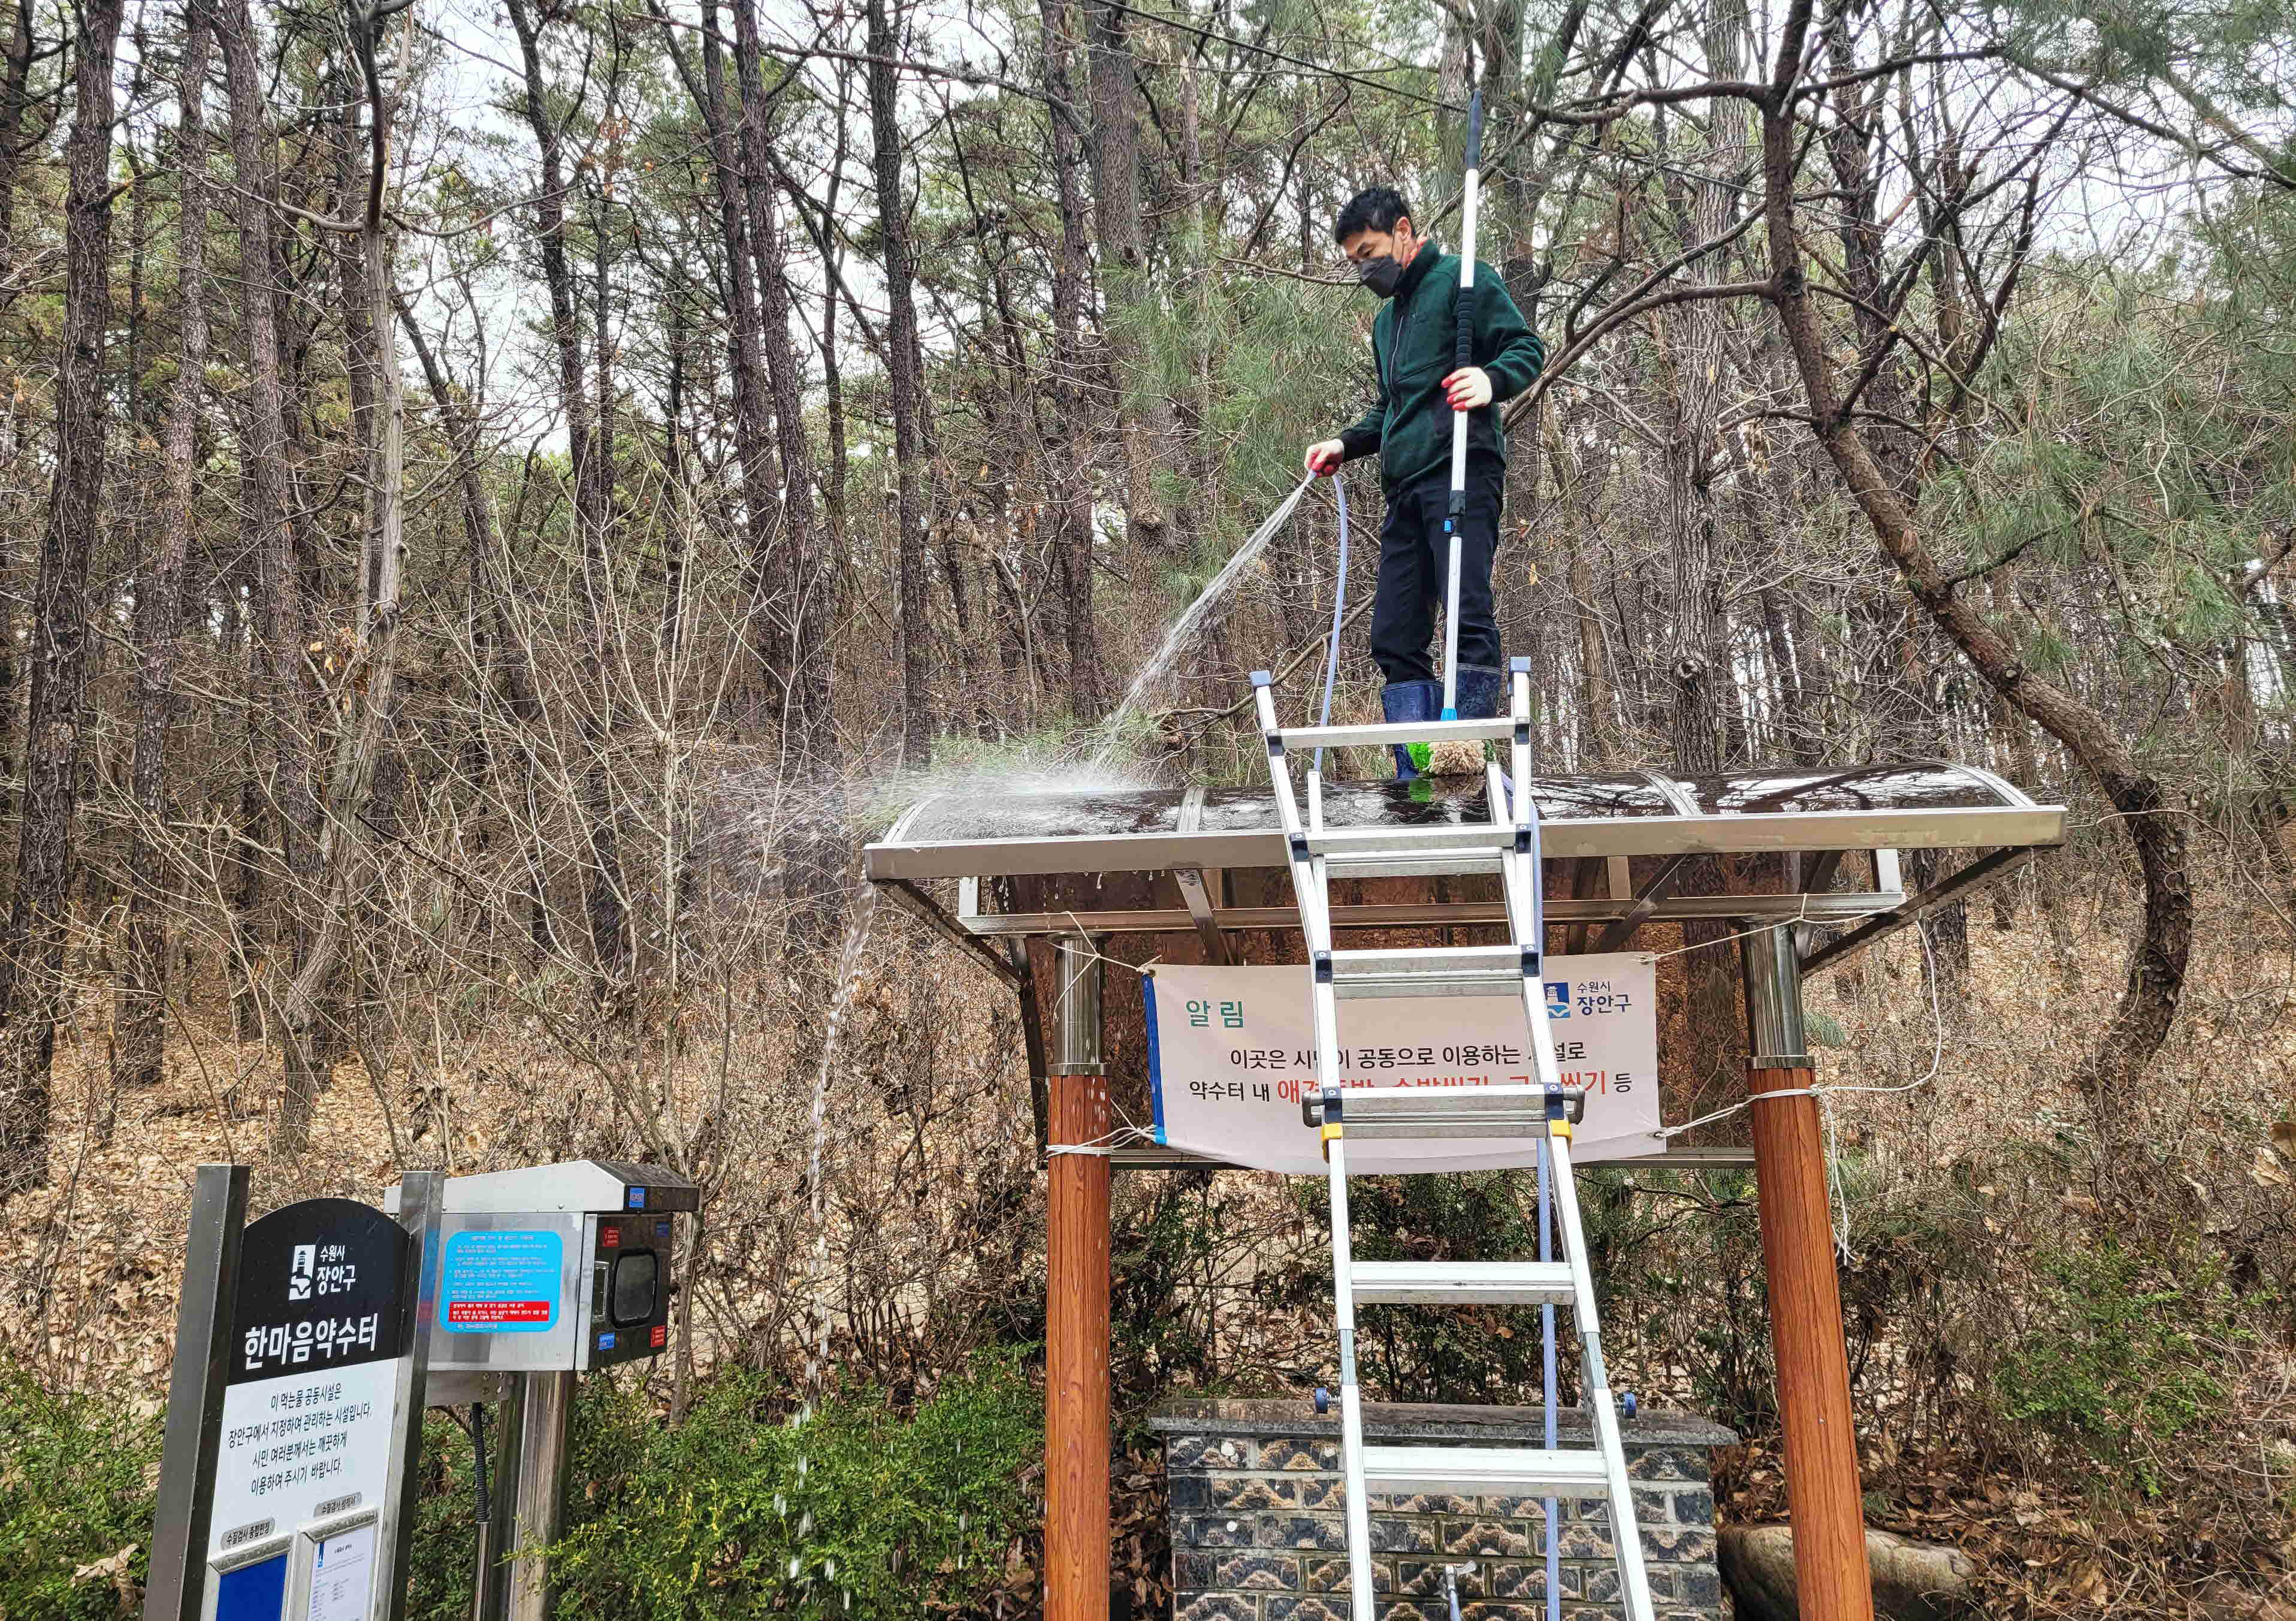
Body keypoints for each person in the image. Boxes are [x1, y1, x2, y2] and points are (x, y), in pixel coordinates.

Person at [1303, 185, 1545, 778]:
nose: (1364, 266)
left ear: (1405, 232)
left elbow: (1526, 348)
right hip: (1404, 487)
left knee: (1465, 613)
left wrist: (1491, 380)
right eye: (1355, 258)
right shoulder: (1386, 322)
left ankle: (1464, 760)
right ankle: (1416, 768)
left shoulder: (1465, 281)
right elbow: (1391, 407)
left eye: (1370, 249)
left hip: (1461, 470)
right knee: (1393, 632)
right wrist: (1345, 442)